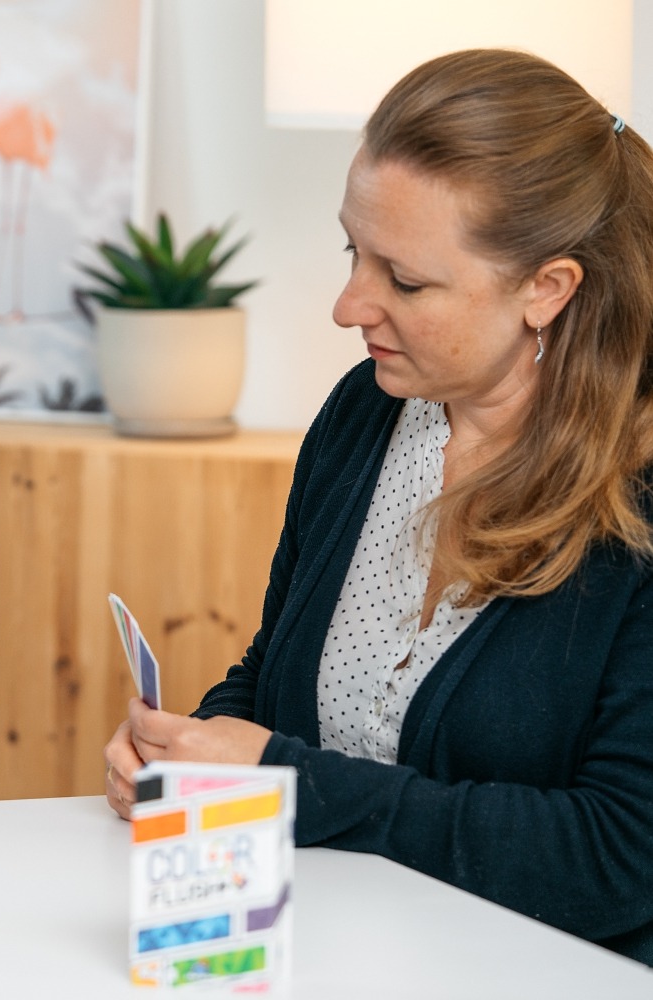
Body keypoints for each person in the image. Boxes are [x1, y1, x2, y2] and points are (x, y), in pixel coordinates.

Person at [103, 48, 653, 965]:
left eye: (405, 280)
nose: (348, 305)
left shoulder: (637, 504)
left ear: (546, 291)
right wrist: (191, 747)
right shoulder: (368, 413)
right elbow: (275, 676)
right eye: (352, 251)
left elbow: (615, 856)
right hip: (333, 957)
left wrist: (283, 781)